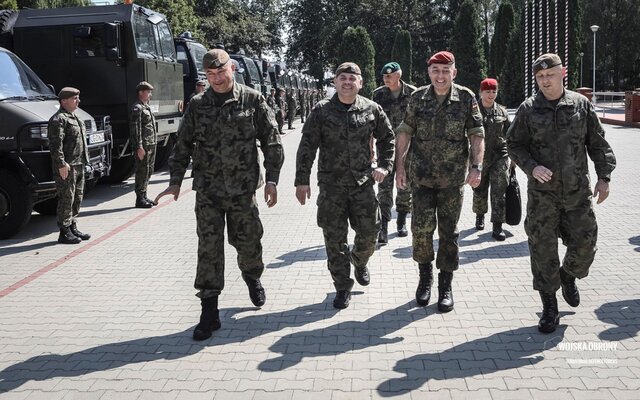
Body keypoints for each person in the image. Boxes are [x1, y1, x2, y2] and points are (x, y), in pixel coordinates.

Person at [154, 49, 283, 341]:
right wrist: (175, 181)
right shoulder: (198, 105)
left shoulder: (252, 99)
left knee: (248, 242)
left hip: (242, 190)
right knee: (209, 248)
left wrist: (273, 180)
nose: (217, 79)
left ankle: (252, 276)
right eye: (210, 75)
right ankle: (209, 311)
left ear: (232, 68)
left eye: (221, 73)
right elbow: (183, 145)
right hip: (209, 191)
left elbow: (272, 141)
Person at [507, 53, 616, 334]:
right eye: (540, 77)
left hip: (578, 193)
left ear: (562, 73)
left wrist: (604, 177)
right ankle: (549, 308)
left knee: (585, 246)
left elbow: (598, 143)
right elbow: (514, 145)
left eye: (550, 75)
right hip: (543, 195)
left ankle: (568, 275)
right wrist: (531, 167)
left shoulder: (580, 105)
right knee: (542, 251)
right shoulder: (528, 109)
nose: (545, 81)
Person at [295, 62, 395, 309]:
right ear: (335, 82)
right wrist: (301, 180)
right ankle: (342, 286)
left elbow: (388, 138)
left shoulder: (372, 109)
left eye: (352, 78)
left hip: (363, 184)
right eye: (342, 78)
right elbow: (307, 146)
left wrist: (384, 166)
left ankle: (359, 261)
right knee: (334, 240)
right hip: (331, 188)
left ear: (360, 83)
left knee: (371, 233)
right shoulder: (321, 111)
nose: (347, 82)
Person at [395, 51, 485, 312]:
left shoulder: (466, 98)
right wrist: (400, 167)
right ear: (429, 73)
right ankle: (425, 279)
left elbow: (477, 134)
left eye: (446, 70)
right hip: (421, 179)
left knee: (449, 234)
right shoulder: (417, 98)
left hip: (452, 181)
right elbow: (404, 132)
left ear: (454, 73)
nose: (440, 75)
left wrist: (476, 167)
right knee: (421, 232)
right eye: (436, 70)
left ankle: (445, 285)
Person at [372, 61, 417, 243]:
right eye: (384, 76)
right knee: (384, 188)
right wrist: (370, 147)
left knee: (404, 185)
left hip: (408, 147)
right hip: (385, 148)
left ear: (399, 75)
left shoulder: (413, 93)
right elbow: (371, 122)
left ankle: (401, 220)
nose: (386, 79)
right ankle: (383, 227)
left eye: (389, 76)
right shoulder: (378, 94)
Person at [48, 87, 91, 244]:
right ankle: (64, 231)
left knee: (77, 197)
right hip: (67, 166)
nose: (78, 100)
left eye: (78, 97)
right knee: (67, 198)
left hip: (79, 164)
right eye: (75, 98)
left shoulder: (75, 118)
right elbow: (55, 145)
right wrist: (61, 164)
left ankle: (72, 225)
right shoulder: (58, 119)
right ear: (63, 101)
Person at [472, 78, 511, 241]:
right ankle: (480, 215)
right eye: (487, 91)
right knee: (479, 189)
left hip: (499, 156)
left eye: (494, 91)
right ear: (480, 92)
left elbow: (510, 134)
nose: (491, 95)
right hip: (479, 157)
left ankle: (497, 225)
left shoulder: (502, 111)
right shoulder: (473, 111)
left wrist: (513, 157)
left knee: (499, 191)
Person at [129, 81, 157, 208]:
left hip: (151, 144)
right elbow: (136, 129)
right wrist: (139, 146)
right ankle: (139, 198)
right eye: (148, 92)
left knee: (148, 171)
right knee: (142, 171)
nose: (150, 95)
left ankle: (144, 195)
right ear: (141, 92)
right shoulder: (137, 108)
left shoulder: (146, 107)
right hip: (144, 146)